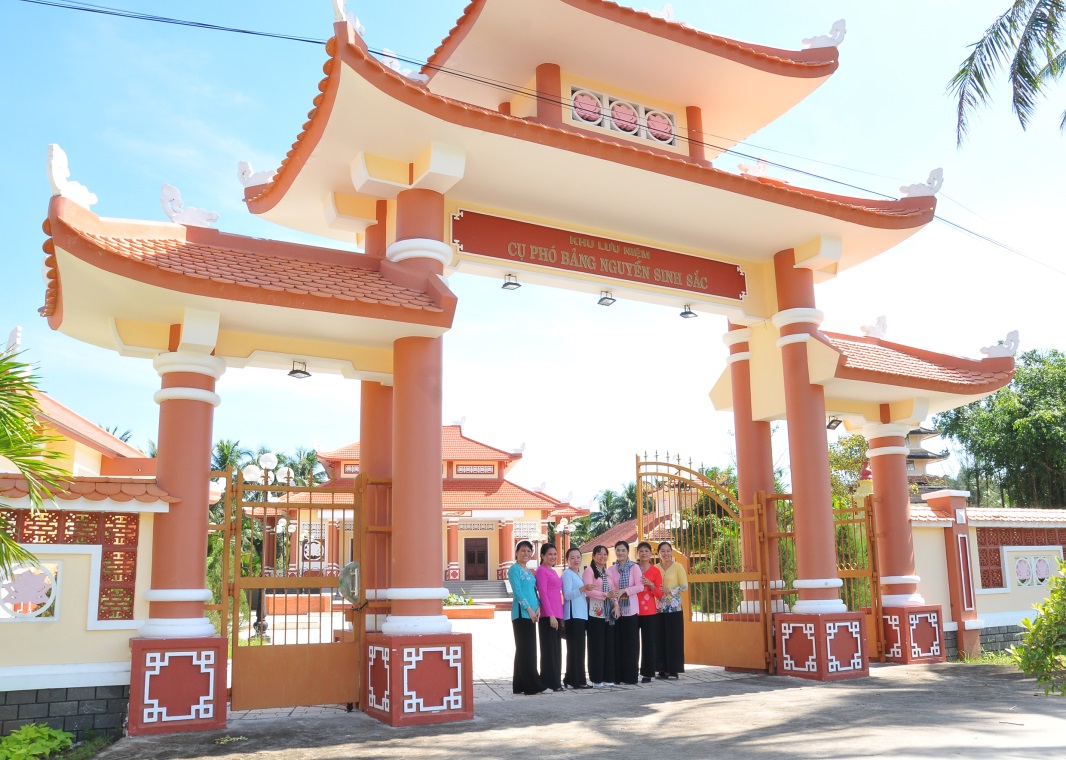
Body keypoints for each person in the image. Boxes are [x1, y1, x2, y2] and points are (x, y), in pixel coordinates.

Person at [508, 540, 544, 695]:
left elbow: (534, 592)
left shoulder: (529, 571)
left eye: (529, 551)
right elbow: (517, 591)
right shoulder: (514, 569)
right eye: (523, 550)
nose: (526, 554)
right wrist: (529, 609)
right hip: (521, 614)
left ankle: (519, 685)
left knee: (525, 649)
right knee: (525, 649)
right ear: (516, 552)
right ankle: (531, 685)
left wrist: (538, 609)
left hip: (532, 613)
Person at [606, 540, 643, 685]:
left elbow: (640, 586)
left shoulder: (634, 567)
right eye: (618, 550)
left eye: (623, 550)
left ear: (628, 552)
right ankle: (618, 676)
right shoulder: (611, 569)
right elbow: (610, 588)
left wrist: (625, 591)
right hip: (616, 610)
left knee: (631, 645)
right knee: (618, 644)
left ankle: (631, 676)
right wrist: (616, 604)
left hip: (631, 610)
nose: (620, 553)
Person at [583, 544, 617, 687]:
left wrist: (615, 604)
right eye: (599, 554)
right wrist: (605, 595)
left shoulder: (608, 572)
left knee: (608, 645)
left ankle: (608, 677)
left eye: (605, 554)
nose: (602, 557)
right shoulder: (589, 571)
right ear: (594, 556)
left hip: (608, 613)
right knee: (596, 646)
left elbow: (613, 590)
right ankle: (596, 678)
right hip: (595, 612)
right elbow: (588, 591)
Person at [561, 546, 593, 689]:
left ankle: (570, 678)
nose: (576, 560)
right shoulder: (567, 574)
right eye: (572, 558)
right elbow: (567, 595)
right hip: (573, 616)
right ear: (567, 560)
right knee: (575, 649)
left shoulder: (578, 574)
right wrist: (583, 589)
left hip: (581, 616)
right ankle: (577, 680)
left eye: (578, 557)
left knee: (578, 648)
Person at [657, 541, 688, 679]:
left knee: (674, 638)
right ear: (658, 553)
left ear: (672, 552)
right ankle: (662, 669)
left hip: (674, 607)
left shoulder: (678, 567)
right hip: (659, 608)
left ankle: (674, 669)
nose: (666, 553)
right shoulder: (655, 568)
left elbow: (684, 586)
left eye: (668, 550)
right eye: (663, 551)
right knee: (660, 637)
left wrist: (670, 590)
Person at [535, 543, 564, 691]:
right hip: (548, 616)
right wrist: (551, 615)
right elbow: (543, 594)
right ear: (542, 556)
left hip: (557, 614)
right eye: (549, 554)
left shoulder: (553, 571)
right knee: (549, 651)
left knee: (556, 650)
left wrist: (560, 615)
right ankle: (549, 682)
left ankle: (555, 682)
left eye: (555, 554)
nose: (552, 557)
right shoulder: (541, 571)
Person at [634, 541, 663, 683]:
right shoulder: (633, 568)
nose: (643, 553)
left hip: (650, 612)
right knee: (633, 642)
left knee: (649, 643)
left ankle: (647, 672)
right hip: (633, 610)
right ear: (637, 554)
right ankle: (631, 671)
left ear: (651, 553)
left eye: (646, 551)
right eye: (641, 551)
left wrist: (650, 585)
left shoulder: (655, 571)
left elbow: (660, 594)